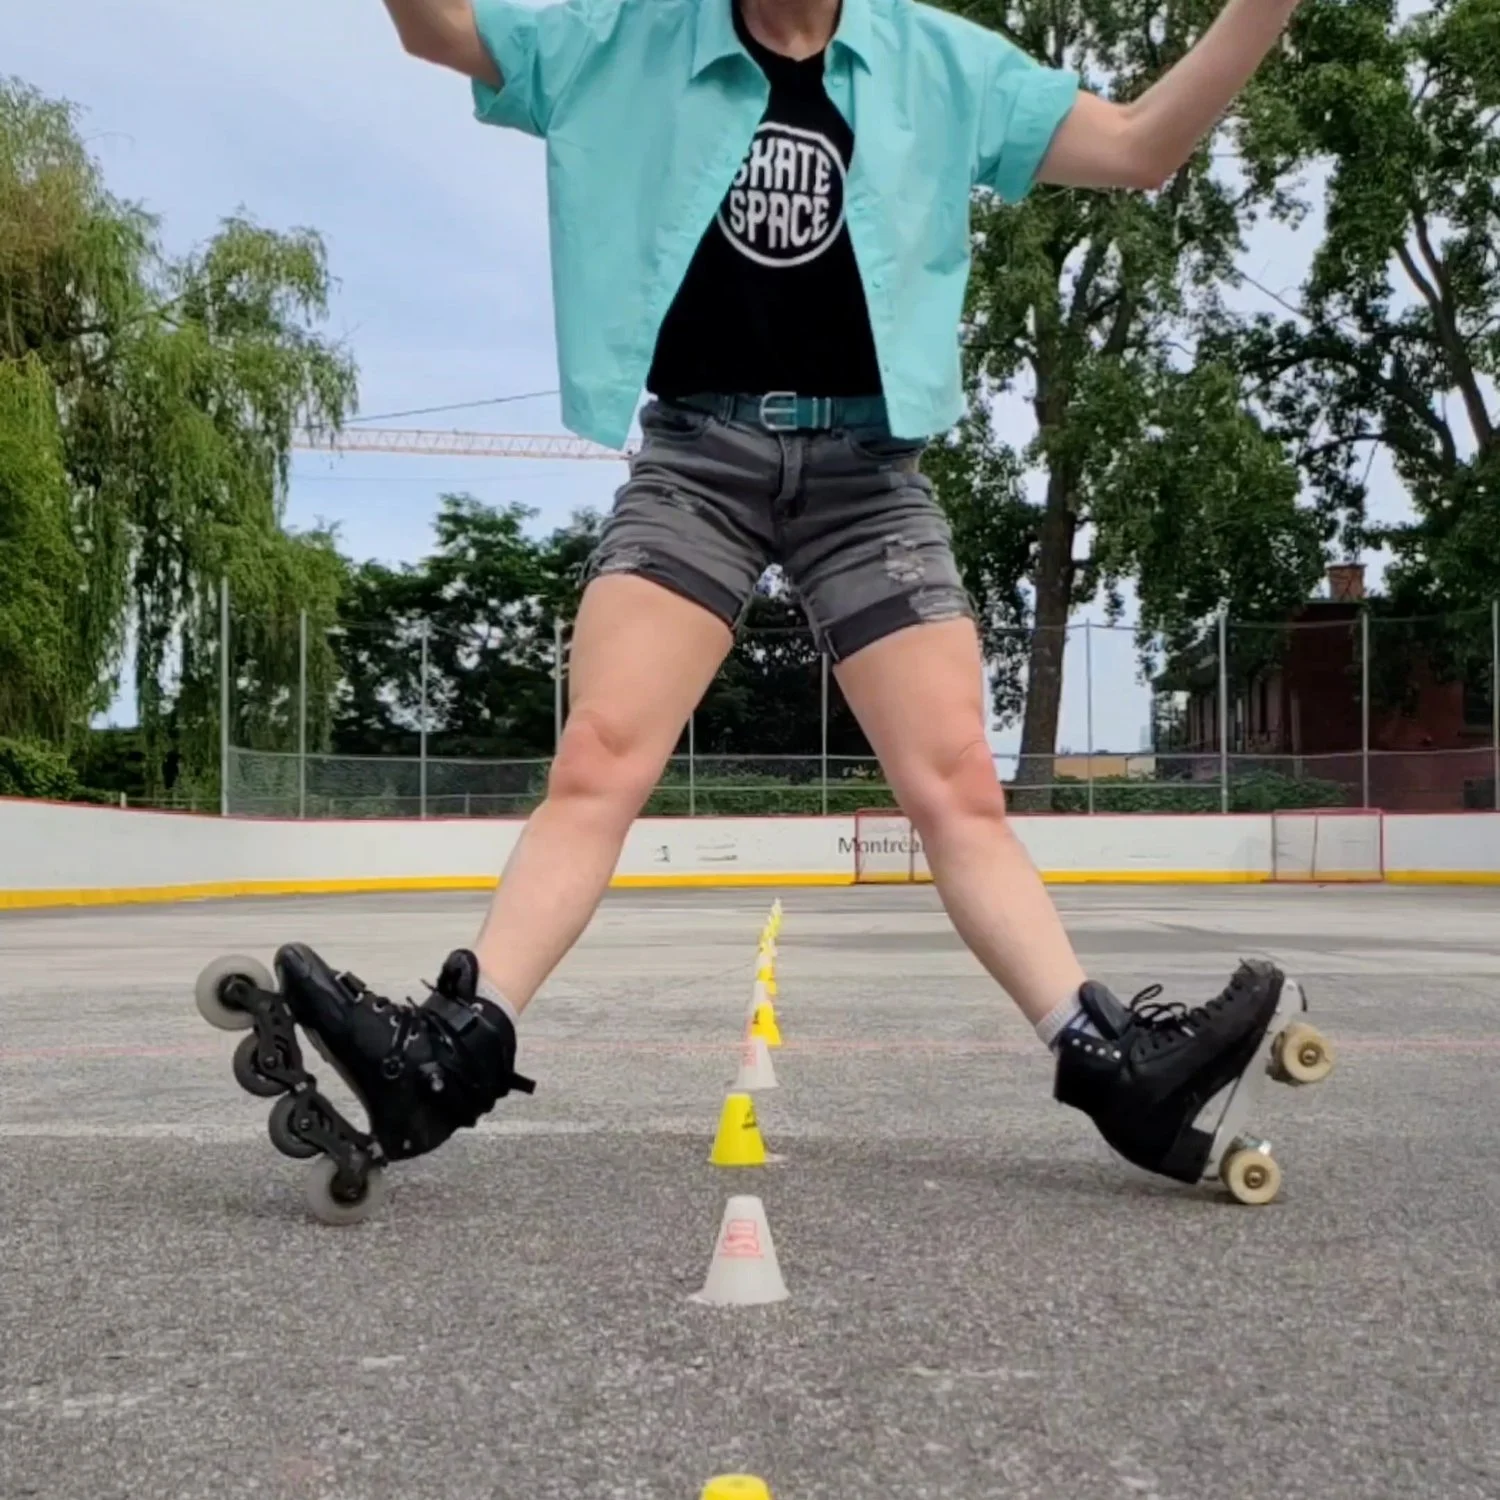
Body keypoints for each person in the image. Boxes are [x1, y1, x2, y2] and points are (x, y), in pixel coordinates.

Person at [274, 0, 1304, 1188]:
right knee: (602, 751)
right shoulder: (627, 38)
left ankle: (1112, 1063)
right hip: (697, 460)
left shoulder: (937, 63)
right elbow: (440, 30)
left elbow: (1138, 145)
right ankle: (450, 1053)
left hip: (868, 477)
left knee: (958, 783)